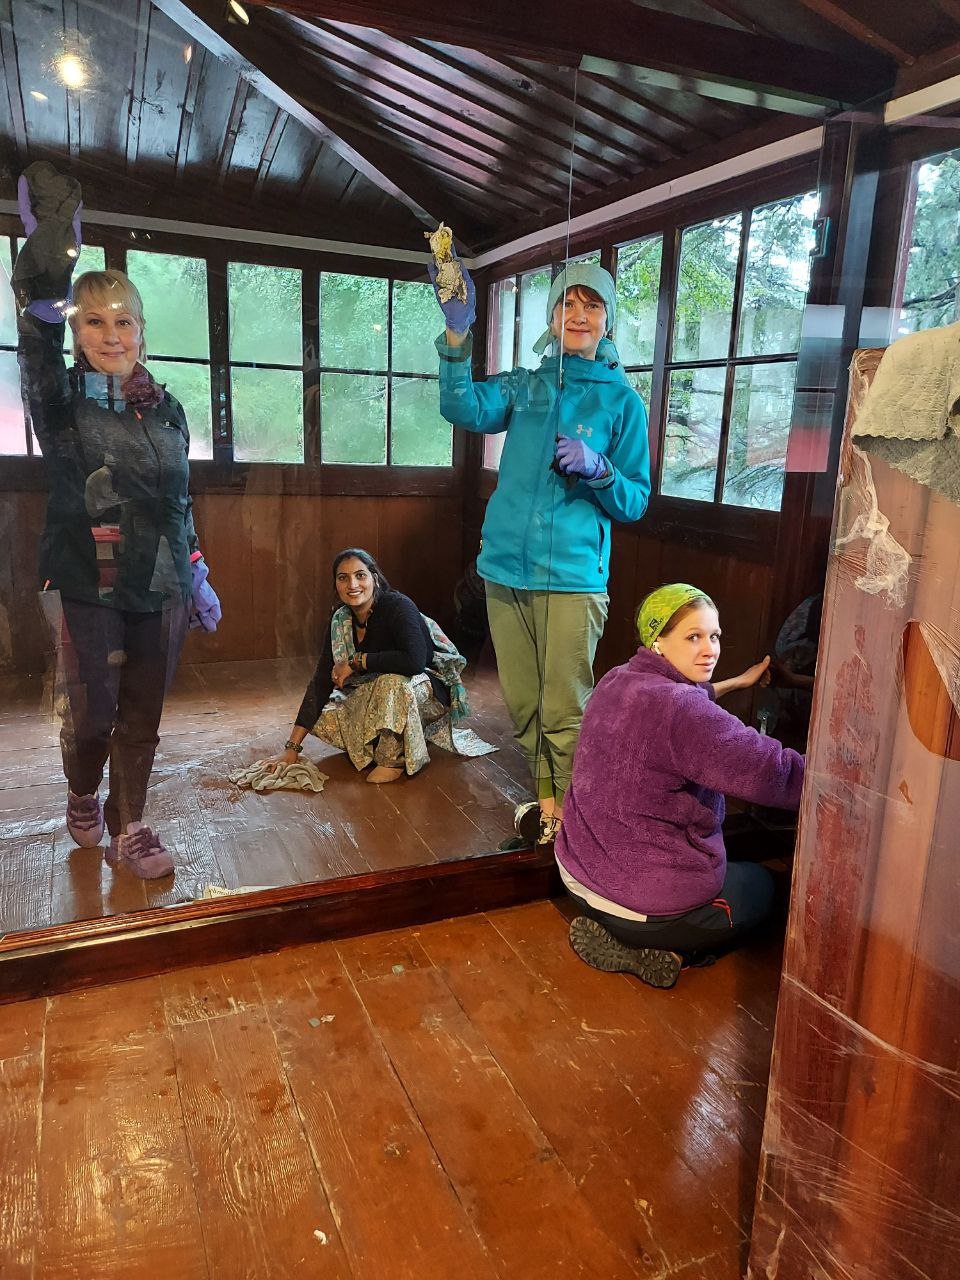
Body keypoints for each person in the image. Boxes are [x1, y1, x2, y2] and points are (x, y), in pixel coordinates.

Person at [14, 162, 220, 880]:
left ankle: (129, 824)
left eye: (122, 320)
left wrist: (196, 571)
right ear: (77, 331)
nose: (110, 334)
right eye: (94, 320)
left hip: (161, 584)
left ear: (140, 330)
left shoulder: (168, 408)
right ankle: (81, 788)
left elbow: (179, 500)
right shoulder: (59, 398)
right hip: (87, 580)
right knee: (92, 713)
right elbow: (36, 346)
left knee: (142, 714)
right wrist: (48, 267)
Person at [431, 250, 650, 846]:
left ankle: (579, 828)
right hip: (504, 571)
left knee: (564, 711)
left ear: (608, 320)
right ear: (552, 316)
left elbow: (635, 500)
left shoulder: (623, 403)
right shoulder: (525, 387)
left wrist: (600, 468)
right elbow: (460, 405)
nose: (577, 315)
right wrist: (457, 333)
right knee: (524, 706)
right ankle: (550, 813)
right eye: (567, 304)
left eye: (591, 306)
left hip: (573, 578)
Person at [555, 583, 805, 989]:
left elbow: (681, 707)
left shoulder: (618, 680)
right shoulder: (684, 712)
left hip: (578, 877)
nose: (710, 650)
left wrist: (736, 683)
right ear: (658, 641)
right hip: (647, 910)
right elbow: (775, 773)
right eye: (693, 637)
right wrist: (846, 777)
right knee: (767, 887)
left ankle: (632, 941)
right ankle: (679, 953)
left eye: (714, 636)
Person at [268, 549, 468, 783]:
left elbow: (414, 661)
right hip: (378, 694)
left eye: (360, 575)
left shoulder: (398, 606)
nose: (352, 584)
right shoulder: (341, 619)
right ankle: (389, 739)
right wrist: (292, 748)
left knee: (391, 682)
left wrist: (357, 661)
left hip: (424, 689)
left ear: (375, 578)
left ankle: (392, 760)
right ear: (336, 585)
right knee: (323, 717)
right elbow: (321, 680)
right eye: (343, 578)